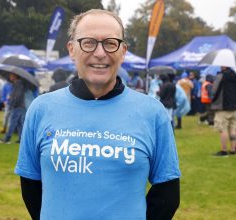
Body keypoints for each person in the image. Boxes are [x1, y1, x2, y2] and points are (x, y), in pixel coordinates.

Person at [15, 9, 181, 220]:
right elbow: (31, 186)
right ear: (72, 49)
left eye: (110, 43)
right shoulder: (41, 108)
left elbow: (167, 194)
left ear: (123, 51)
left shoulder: (152, 112)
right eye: (89, 42)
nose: (100, 53)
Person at [211, 66, 236, 156]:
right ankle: (233, 149)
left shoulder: (221, 76)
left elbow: (214, 90)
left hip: (222, 107)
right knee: (233, 129)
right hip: (234, 107)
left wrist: (212, 99)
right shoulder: (234, 75)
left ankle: (224, 150)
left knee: (222, 129)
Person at [0, 73, 26, 144]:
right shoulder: (16, 84)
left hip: (17, 106)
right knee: (19, 123)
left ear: (15, 76)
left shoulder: (18, 84)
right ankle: (21, 139)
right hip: (19, 106)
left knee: (12, 123)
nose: (10, 77)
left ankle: (7, 138)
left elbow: (18, 95)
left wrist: (12, 101)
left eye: (11, 75)